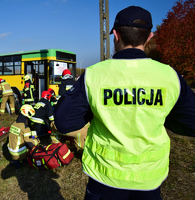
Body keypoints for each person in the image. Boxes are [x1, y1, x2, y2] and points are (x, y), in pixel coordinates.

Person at [54, 6, 195, 200]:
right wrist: (162, 116)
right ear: (149, 37)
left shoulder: (94, 75)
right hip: (149, 181)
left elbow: (64, 123)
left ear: (115, 34)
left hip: (104, 179)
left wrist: (95, 112)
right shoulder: (170, 76)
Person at [8, 104, 40, 169]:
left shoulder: (14, 124)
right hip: (19, 153)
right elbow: (30, 144)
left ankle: (16, 161)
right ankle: (23, 159)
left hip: (11, 152)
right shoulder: (25, 127)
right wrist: (37, 140)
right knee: (34, 145)